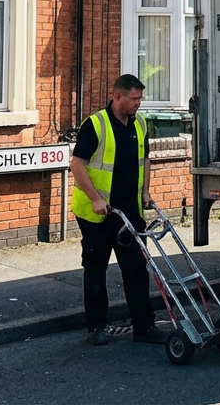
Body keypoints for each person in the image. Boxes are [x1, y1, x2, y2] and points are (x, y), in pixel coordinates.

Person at [69, 74, 168, 347]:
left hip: (129, 213)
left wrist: (146, 192)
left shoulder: (140, 123)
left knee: (137, 270)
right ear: (118, 97)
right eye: (134, 99)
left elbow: (145, 159)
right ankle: (97, 327)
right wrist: (95, 198)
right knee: (96, 271)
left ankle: (144, 327)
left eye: (140, 98)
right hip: (98, 214)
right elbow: (77, 164)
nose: (139, 104)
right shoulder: (96, 124)